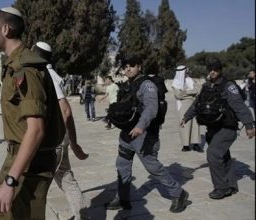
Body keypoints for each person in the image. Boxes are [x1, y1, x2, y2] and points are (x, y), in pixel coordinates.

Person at [0, 7, 65, 220]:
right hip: (22, 159)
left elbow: (36, 129)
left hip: (28, 164)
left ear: (5, 29)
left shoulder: (25, 68)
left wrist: (11, 181)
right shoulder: (14, 65)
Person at [105, 55, 189, 213]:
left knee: (153, 167)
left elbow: (151, 108)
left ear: (139, 67)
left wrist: (140, 127)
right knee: (122, 166)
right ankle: (122, 198)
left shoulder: (147, 84)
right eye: (125, 66)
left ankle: (179, 193)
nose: (128, 69)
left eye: (131, 65)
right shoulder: (127, 85)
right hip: (126, 134)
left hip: (144, 135)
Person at [181, 58, 255, 199]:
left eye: (215, 69)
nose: (212, 72)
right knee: (223, 156)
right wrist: (186, 117)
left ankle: (221, 188)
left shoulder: (228, 86)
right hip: (213, 128)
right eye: (210, 69)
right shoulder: (206, 86)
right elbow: (197, 103)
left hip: (227, 128)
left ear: (220, 70)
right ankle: (231, 185)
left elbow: (240, 107)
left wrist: (249, 125)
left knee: (213, 154)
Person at [32, 41, 90, 220]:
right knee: (66, 179)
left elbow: (65, 110)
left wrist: (73, 142)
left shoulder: (47, 74)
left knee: (35, 185)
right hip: (57, 140)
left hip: (51, 143)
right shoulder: (52, 73)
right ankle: (83, 215)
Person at [172, 65, 202, 152]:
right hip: (182, 105)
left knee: (196, 124)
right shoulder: (175, 82)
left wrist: (186, 92)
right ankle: (186, 145)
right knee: (184, 123)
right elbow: (178, 95)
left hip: (193, 103)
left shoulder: (190, 80)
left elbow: (197, 91)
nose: (187, 72)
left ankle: (196, 144)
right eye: (185, 71)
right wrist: (191, 93)